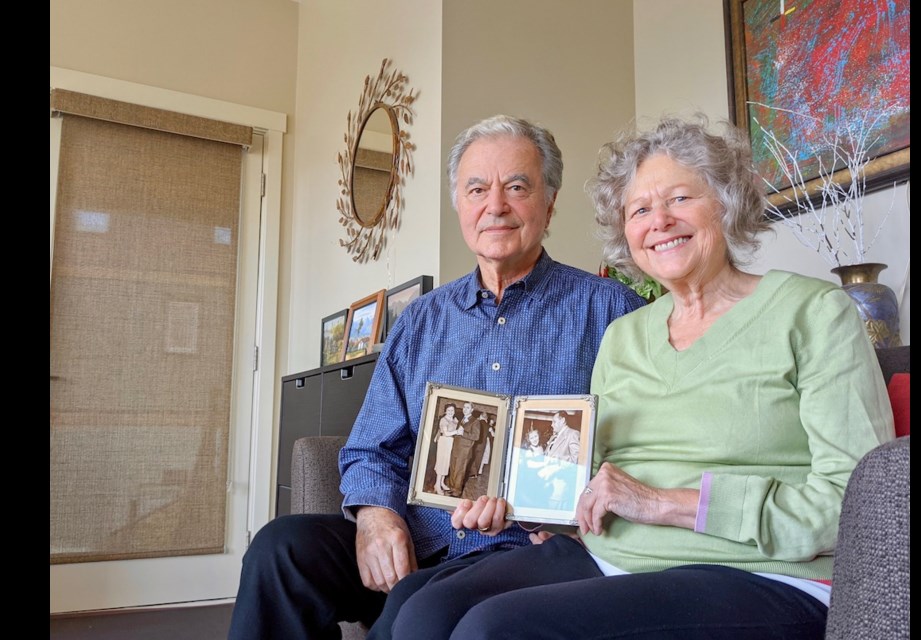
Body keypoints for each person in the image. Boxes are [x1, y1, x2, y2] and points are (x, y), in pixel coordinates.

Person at [376, 114, 896, 640]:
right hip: (611, 557)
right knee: (425, 614)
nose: (660, 221)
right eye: (640, 209)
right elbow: (592, 484)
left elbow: (859, 503)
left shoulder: (813, 312)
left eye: (680, 199)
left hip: (758, 572)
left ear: (727, 202)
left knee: (495, 630)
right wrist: (528, 508)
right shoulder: (624, 335)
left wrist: (662, 503)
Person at [226, 114, 644, 640]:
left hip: (532, 551)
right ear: (459, 205)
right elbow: (370, 448)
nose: (496, 205)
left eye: (517, 187)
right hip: (420, 540)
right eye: (477, 189)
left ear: (549, 202)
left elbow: (644, 447)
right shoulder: (421, 321)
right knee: (280, 548)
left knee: (414, 605)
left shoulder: (610, 311)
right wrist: (377, 515)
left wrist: (572, 520)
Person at [446, 400, 482, 497]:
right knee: (453, 468)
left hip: (465, 451)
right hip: (456, 448)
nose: (465, 409)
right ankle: (452, 487)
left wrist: (463, 433)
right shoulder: (461, 419)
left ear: (472, 409)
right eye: (464, 407)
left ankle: (457, 491)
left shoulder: (475, 421)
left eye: (467, 408)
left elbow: (476, 436)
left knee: (459, 470)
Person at [432, 403, 458, 493]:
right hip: (444, 441)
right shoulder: (443, 420)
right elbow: (446, 433)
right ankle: (437, 485)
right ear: (445, 411)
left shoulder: (454, 420)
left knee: (446, 463)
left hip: (450, 442)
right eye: (449, 410)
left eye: (452, 410)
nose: (451, 412)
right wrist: (457, 431)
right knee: (441, 463)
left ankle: (442, 483)